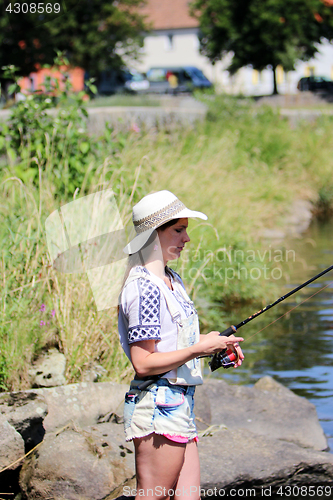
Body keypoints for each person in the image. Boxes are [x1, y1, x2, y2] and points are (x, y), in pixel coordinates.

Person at [118, 190, 244, 500]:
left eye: (185, 229)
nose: (187, 238)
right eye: (178, 229)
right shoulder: (143, 288)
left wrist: (213, 344)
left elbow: (174, 343)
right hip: (158, 405)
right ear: (152, 234)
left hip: (180, 402)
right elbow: (144, 362)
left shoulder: (172, 281)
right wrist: (196, 350)